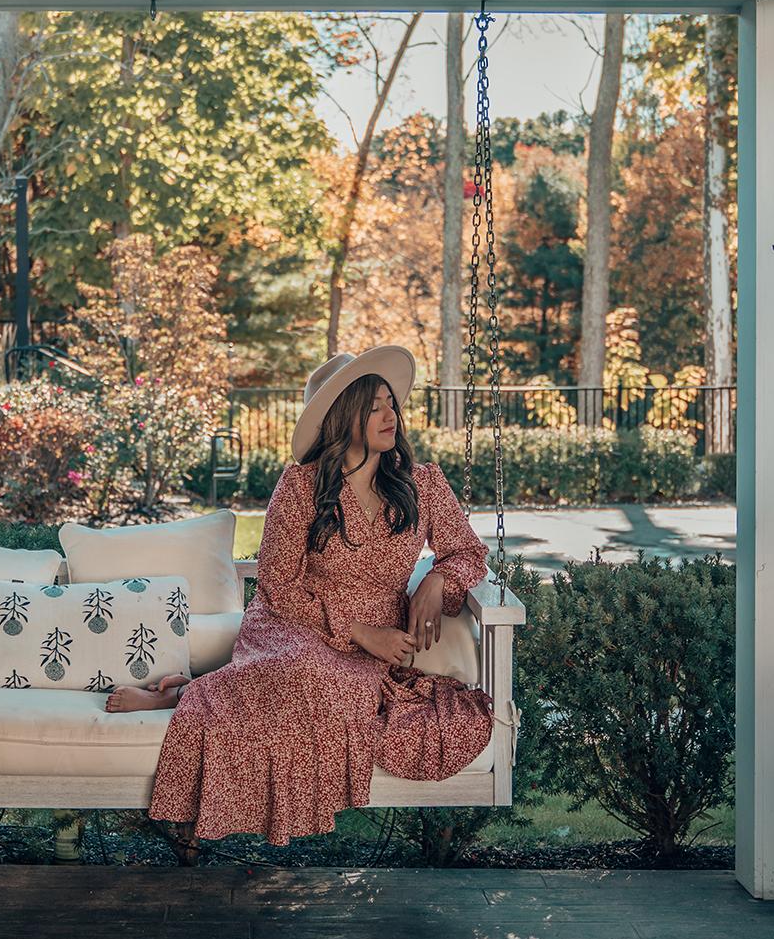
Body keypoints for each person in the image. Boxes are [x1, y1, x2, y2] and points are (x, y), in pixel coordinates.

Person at [107, 345, 495, 849]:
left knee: (328, 682)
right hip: (295, 620)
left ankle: (184, 692)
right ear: (343, 416)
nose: (389, 415)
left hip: (369, 644)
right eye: (373, 405)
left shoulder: (423, 484)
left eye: (391, 404)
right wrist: (359, 632)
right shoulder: (300, 486)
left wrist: (435, 581)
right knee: (301, 668)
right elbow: (277, 582)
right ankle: (181, 697)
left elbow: (468, 552)